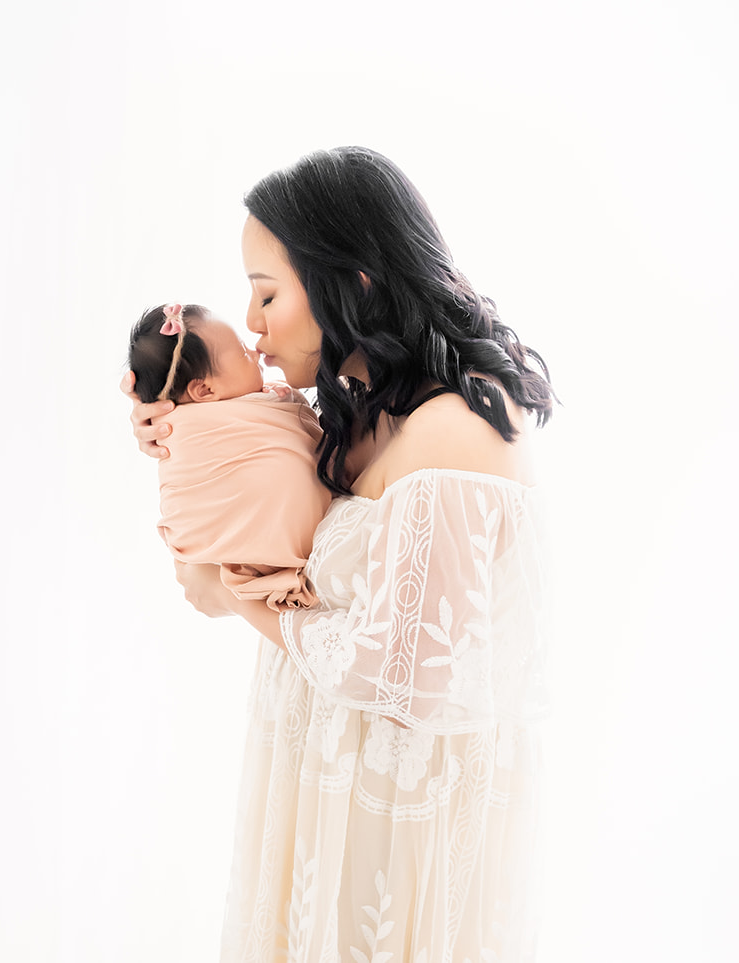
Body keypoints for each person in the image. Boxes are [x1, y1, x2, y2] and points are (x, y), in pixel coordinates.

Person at [120, 146, 558, 963]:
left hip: (396, 832)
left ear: (349, 284)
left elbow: (404, 674)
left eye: (267, 294)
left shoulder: (459, 431)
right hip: (323, 795)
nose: (251, 324)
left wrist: (235, 598)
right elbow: (259, 471)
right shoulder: (365, 406)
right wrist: (173, 424)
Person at [126, 300, 334, 610]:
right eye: (241, 351)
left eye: (268, 295)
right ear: (205, 391)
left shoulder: (260, 401)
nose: (254, 351)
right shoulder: (184, 431)